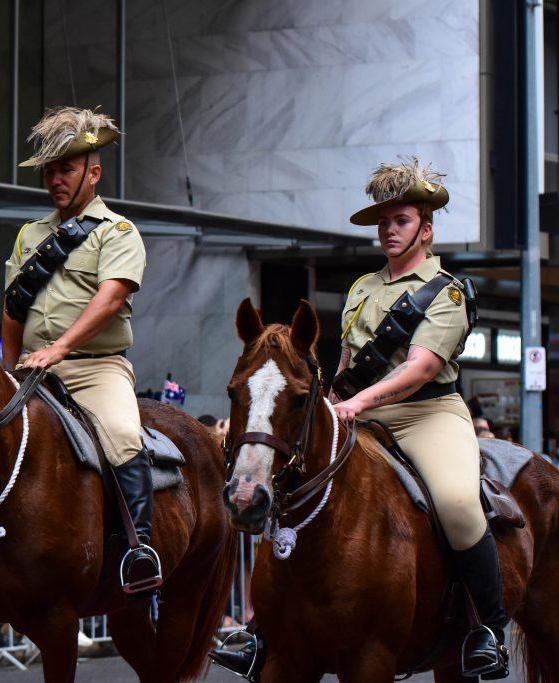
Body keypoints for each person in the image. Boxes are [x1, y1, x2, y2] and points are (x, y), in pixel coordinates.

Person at [211, 159, 509, 680]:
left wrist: (357, 404)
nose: (389, 231)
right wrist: (327, 400)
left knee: (458, 503)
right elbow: (347, 365)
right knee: (292, 491)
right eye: (384, 223)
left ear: (426, 228)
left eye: (401, 221)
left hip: (427, 414)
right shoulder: (362, 288)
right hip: (358, 415)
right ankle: (264, 631)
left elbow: (420, 369)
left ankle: (488, 628)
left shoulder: (447, 291)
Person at [2, 107, 160, 593]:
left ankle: (139, 550)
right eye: (49, 170)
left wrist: (61, 348)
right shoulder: (31, 234)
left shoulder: (117, 232)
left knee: (121, 435)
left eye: (66, 168)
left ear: (93, 173)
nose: (55, 179)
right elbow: (12, 307)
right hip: (29, 371)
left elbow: (111, 298)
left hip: (95, 369)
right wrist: (5, 371)